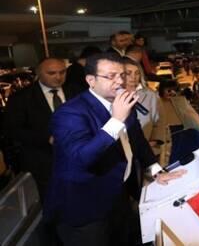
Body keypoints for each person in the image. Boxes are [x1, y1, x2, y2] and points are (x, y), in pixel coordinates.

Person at [44, 52, 185, 246]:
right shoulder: (69, 113)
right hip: (84, 208)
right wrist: (116, 120)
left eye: (122, 75)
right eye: (110, 76)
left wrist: (156, 171)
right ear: (90, 80)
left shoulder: (122, 103)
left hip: (118, 195)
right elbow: (81, 158)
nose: (119, 81)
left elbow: (137, 140)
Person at [3, 57, 75, 199]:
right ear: (39, 73)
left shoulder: (76, 91)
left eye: (62, 72)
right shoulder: (21, 98)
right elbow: (13, 130)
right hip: (43, 161)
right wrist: (46, 138)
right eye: (52, 73)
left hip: (77, 157)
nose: (58, 77)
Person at [121, 57, 160, 142]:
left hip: (148, 146)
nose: (133, 77)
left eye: (137, 73)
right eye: (128, 73)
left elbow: (159, 123)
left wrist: (155, 141)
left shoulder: (150, 95)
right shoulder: (112, 96)